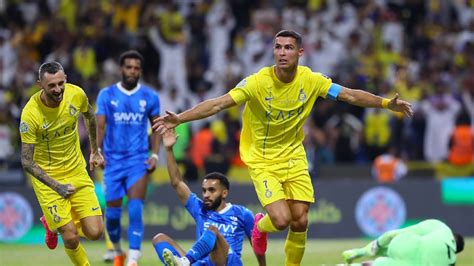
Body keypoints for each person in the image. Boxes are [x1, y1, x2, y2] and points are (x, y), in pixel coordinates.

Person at [153, 30, 413, 265]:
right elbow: (218, 104)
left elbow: (350, 95)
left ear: (300, 52)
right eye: (277, 47)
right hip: (263, 159)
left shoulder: (311, 80)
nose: (281, 52)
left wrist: (385, 104)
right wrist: (181, 117)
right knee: (281, 220)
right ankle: (259, 227)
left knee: (300, 219)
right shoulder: (257, 82)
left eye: (288, 47)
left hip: (294, 156)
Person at [19, 61, 104, 265]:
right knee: (71, 236)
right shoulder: (30, 115)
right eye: (51, 86)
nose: (57, 90)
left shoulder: (76, 95)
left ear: (65, 78)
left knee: (95, 232)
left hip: (76, 170)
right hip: (49, 178)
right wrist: (57, 186)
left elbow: (90, 117)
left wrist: (94, 151)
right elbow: (27, 162)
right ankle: (59, 227)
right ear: (40, 84)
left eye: (60, 83)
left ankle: (52, 222)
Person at [152, 130, 265, 266]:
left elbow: (257, 245)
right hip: (203, 263)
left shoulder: (242, 214)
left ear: (224, 193)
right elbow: (177, 183)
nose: (206, 194)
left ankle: (184, 262)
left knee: (213, 231)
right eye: (204, 190)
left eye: (211, 190)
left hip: (229, 263)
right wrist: (169, 149)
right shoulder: (200, 209)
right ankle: (184, 263)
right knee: (159, 239)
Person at [96, 50, 161, 266]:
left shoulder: (150, 97)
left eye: (136, 68)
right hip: (113, 162)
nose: (132, 71)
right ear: (121, 69)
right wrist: (97, 151)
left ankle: (133, 258)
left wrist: (154, 155)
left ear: (140, 71)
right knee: (112, 217)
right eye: (128, 67)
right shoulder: (107, 95)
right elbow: (100, 125)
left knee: (135, 209)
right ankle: (117, 250)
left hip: (138, 161)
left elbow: (157, 127)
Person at [342, 219, 465, 265]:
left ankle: (360, 252)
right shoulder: (451, 261)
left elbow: (393, 234)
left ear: (452, 237)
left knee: (389, 244)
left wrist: (378, 243)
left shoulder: (441, 227)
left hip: (402, 245)